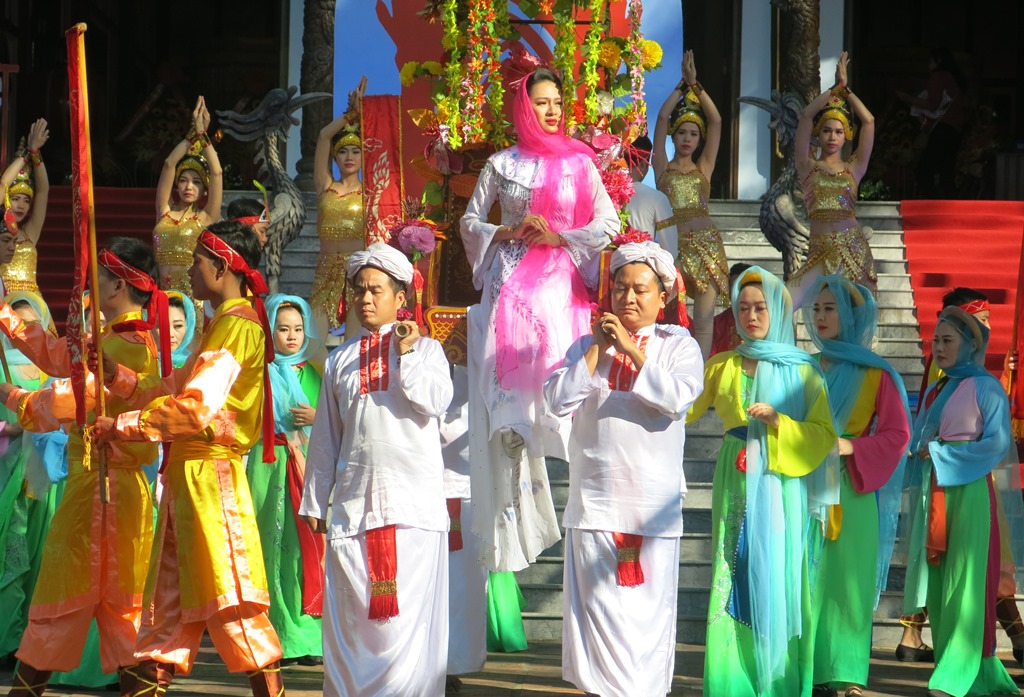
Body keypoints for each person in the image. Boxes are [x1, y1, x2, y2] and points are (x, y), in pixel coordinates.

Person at [93, 221, 284, 697]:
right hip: (188, 477)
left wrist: (122, 425)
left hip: (212, 477)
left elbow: (197, 408)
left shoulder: (237, 328)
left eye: (198, 261)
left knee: (234, 599)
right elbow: (172, 389)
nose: (190, 270)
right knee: (165, 610)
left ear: (221, 268)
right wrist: (118, 379)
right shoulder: (219, 325)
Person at [460, 67, 617, 573]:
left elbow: (608, 222)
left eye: (556, 102)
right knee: (509, 330)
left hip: (561, 272)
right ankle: (516, 430)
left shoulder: (580, 162)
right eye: (541, 103)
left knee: (557, 335)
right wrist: (505, 231)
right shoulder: (502, 164)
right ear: (525, 108)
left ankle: (551, 422)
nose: (550, 111)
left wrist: (562, 238)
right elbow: (469, 222)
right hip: (510, 270)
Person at [0, 238, 164, 697]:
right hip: (115, 489)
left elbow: (69, 399)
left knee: (63, 599)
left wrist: (12, 396)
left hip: (101, 488)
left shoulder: (125, 347)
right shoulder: (128, 340)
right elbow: (59, 358)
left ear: (115, 284)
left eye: (100, 278)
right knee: (122, 612)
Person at [544, 241, 703, 696]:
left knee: (645, 624)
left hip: (651, 509)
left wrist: (632, 352)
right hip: (594, 503)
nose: (628, 298)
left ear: (663, 296)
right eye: (619, 288)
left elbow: (677, 398)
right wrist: (597, 348)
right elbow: (555, 401)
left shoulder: (678, 344)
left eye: (640, 289)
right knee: (598, 620)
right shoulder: (585, 345)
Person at [300, 243, 453, 696]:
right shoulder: (339, 360)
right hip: (354, 507)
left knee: (405, 626)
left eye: (376, 290)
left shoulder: (427, 351)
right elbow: (327, 437)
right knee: (355, 622)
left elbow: (434, 401)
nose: (365, 299)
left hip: (414, 511)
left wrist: (405, 353)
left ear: (400, 296)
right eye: (360, 290)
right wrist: (314, 499)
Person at [687, 266, 836, 696]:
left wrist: (778, 422)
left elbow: (825, 434)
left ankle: (779, 678)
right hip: (734, 478)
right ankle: (732, 678)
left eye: (760, 307)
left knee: (777, 568)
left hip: (780, 481)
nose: (751, 316)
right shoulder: (722, 365)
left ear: (778, 310)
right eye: (743, 307)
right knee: (731, 565)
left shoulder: (804, 370)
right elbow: (679, 406)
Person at [803, 276, 912, 697]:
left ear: (852, 316)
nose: (821, 316)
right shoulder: (804, 365)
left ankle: (846, 673)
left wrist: (851, 445)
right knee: (807, 578)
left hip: (853, 488)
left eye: (831, 309)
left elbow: (897, 435)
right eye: (817, 309)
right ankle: (806, 667)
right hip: (804, 484)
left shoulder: (876, 373)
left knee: (848, 583)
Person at [902, 307, 1019, 697]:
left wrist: (942, 455)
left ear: (971, 345)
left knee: (966, 582)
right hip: (935, 490)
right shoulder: (939, 388)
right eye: (935, 340)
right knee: (939, 582)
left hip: (968, 492)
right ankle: (967, 670)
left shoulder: (986, 387)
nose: (938, 347)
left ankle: (957, 671)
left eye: (947, 340)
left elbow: (998, 443)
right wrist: (925, 453)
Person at [248, 294, 324, 667]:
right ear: (270, 330)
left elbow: (335, 417)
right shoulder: (257, 370)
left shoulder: (312, 373)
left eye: (298, 329)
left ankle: (307, 634)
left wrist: (318, 416)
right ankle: (276, 633)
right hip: (266, 461)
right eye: (283, 328)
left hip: (306, 464)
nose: (292, 336)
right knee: (268, 544)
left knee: (304, 546)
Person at [654, 50, 729, 359]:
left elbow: (717, 119)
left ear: (700, 139)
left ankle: (699, 380)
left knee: (703, 322)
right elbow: (660, 118)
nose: (687, 138)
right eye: (682, 132)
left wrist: (696, 85)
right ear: (674, 135)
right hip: (674, 247)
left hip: (707, 246)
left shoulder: (704, 168)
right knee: (673, 317)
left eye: (693, 134)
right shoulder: (662, 167)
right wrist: (680, 87)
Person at [789, 51, 877, 308]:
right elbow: (806, 115)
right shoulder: (808, 167)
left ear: (847, 135)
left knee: (851, 319)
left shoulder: (854, 168)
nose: (832, 136)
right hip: (818, 253)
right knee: (785, 304)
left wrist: (846, 90)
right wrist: (833, 89)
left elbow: (869, 121)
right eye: (826, 130)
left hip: (853, 252)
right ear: (819, 134)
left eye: (839, 131)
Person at [441, 363, 488, 688]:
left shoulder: (483, 370)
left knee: (463, 588)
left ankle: (452, 665)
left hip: (470, 494)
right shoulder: (419, 360)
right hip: (423, 492)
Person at [310, 76, 367, 340]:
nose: (350, 157)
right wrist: (350, 115)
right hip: (325, 270)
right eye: (344, 152)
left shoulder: (370, 192)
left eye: (356, 151)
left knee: (355, 342)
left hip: (356, 270)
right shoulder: (325, 185)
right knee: (314, 343)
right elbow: (323, 135)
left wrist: (364, 117)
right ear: (335, 156)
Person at [153, 96, 223, 304]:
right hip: (161, 299)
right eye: (183, 180)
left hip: (192, 303)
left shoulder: (205, 217)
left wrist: (203, 136)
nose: (188, 186)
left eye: (196, 182)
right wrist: (192, 135)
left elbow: (217, 172)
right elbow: (168, 164)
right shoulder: (164, 212)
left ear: (204, 190)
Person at [897, 48, 967, 199]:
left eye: (930, 61)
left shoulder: (939, 76)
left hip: (943, 129)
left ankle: (930, 204)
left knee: (924, 169)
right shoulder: (954, 79)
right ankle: (949, 207)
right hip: (954, 130)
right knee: (946, 171)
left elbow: (932, 104)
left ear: (938, 61)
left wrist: (907, 99)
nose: (928, 65)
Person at [0, 119, 50, 294]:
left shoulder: (29, 233)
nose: (21, 205)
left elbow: (43, 191)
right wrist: (26, 155)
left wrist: (35, 152)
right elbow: (4, 184)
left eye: (26, 200)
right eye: (15, 199)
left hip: (33, 305)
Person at [624, 135, 677, 260]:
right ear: (643, 163)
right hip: (642, 271)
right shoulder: (658, 199)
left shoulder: (604, 192)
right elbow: (670, 252)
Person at [710, 262, 752, 357]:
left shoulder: (766, 321)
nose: (737, 293)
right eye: (733, 287)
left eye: (742, 287)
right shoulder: (716, 325)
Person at [166, 290, 196, 367]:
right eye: (162, 326)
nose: (170, 334)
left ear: (188, 326)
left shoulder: (195, 367)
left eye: (178, 326)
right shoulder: (138, 364)